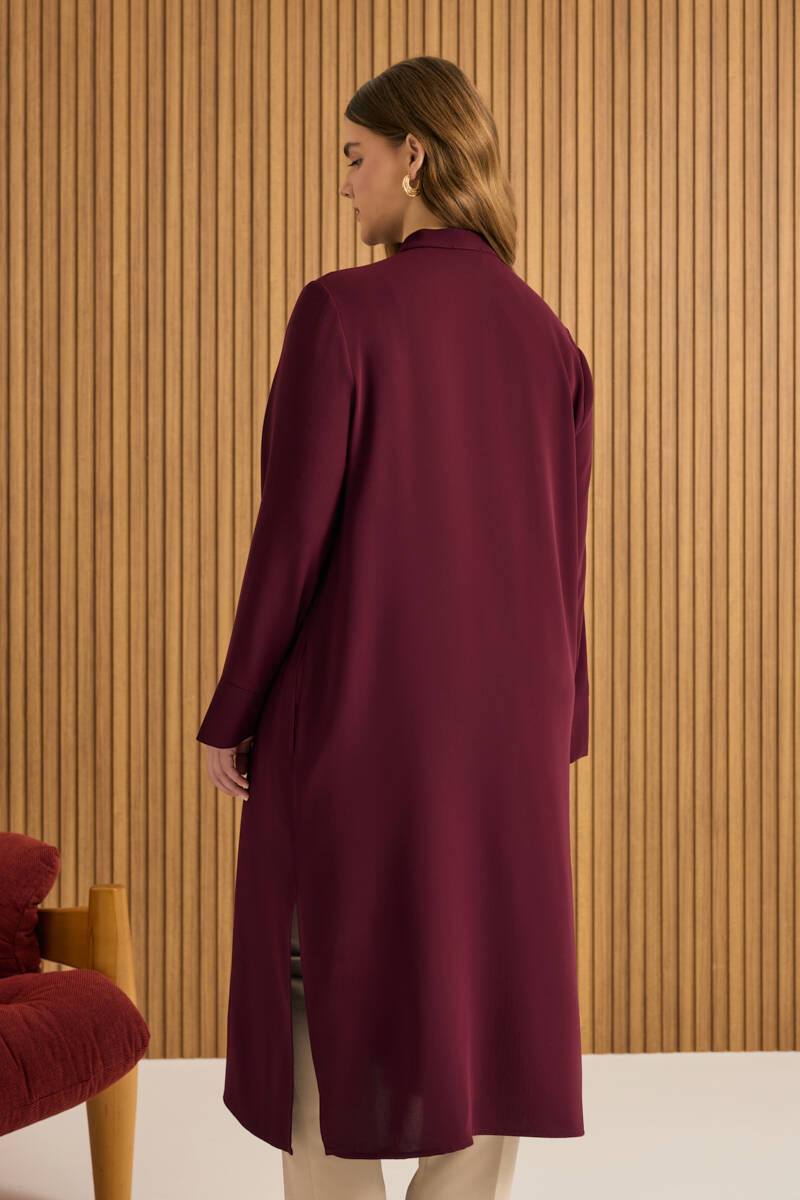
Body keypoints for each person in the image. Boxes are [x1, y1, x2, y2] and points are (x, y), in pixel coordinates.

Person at [197, 54, 593, 1200]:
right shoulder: (547, 339)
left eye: (353, 156)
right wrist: (558, 729)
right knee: (483, 1000)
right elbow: (562, 561)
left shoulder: (340, 312)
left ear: (412, 156)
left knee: (321, 985)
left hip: (362, 724)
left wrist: (231, 713)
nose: (345, 183)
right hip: (508, 742)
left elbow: (289, 543)